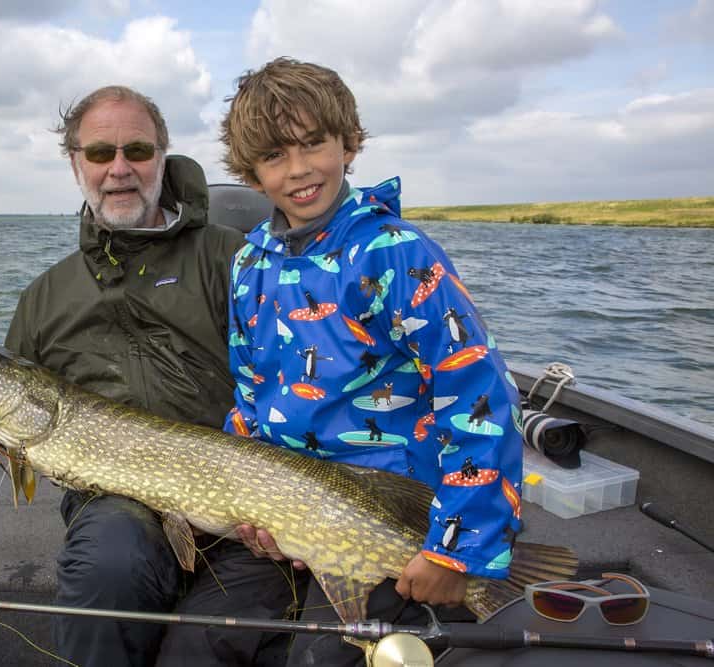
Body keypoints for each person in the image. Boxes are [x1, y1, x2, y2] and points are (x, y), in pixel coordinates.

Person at [160, 58, 524, 666]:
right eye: (275, 156)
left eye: (313, 144)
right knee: (196, 646)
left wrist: (456, 552)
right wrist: (241, 504)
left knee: (321, 661)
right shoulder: (251, 266)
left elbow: (481, 396)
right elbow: (251, 395)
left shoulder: (394, 254)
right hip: (287, 516)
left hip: (399, 512)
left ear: (349, 144)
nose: (299, 170)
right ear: (251, 174)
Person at [4, 85, 244, 667]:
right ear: (74, 163)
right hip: (115, 496)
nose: (119, 169)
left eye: (137, 150)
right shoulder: (44, 297)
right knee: (109, 563)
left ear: (162, 156)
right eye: (99, 154)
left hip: (243, 477)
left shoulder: (231, 257)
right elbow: (10, 408)